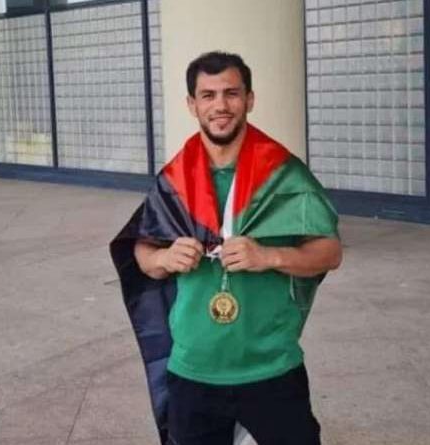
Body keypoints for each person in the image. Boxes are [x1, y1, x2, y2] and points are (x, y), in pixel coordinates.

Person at [110, 51, 342, 445]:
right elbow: (142, 253)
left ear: (249, 99)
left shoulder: (285, 174)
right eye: (208, 95)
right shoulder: (174, 180)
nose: (220, 105)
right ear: (192, 104)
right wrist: (164, 257)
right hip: (193, 368)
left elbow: (330, 252)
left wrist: (269, 256)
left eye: (231, 93)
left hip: (272, 365)